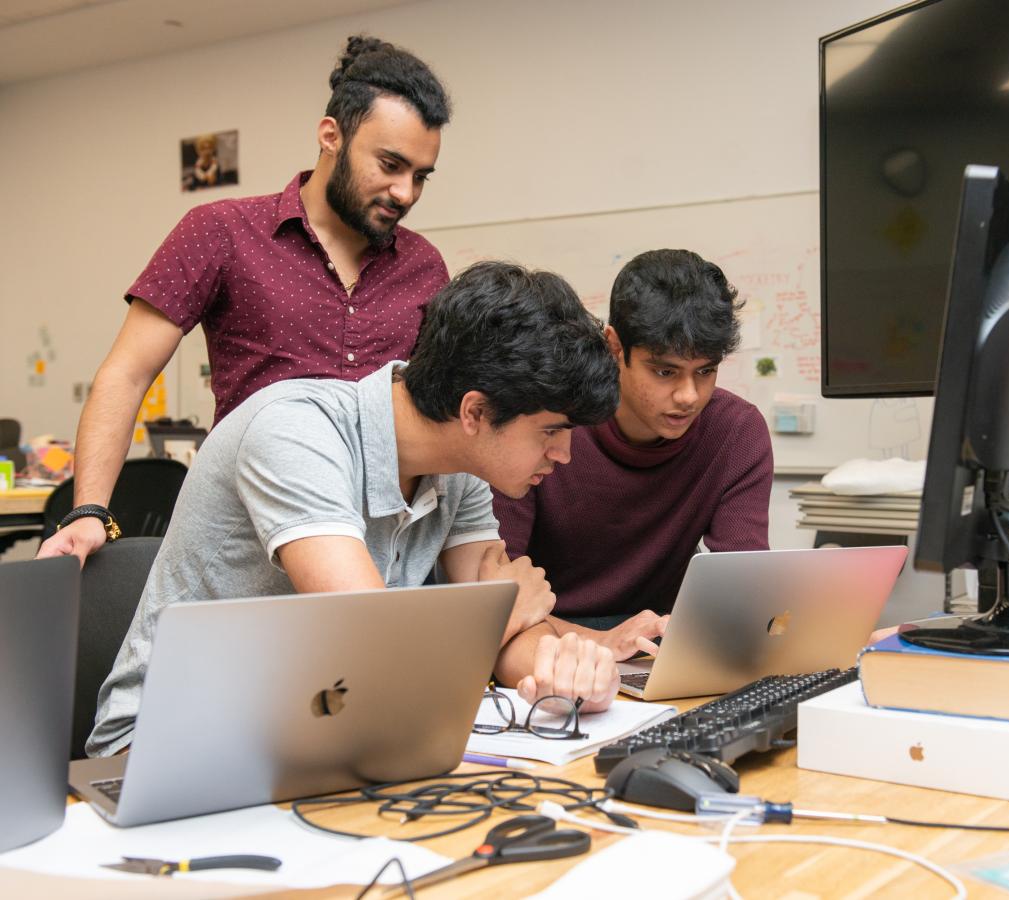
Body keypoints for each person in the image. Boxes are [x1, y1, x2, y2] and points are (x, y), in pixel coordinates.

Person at [88, 261, 623, 756]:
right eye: (551, 431)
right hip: (171, 739)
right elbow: (376, 650)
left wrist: (561, 670)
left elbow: (505, 624)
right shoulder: (295, 433)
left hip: (328, 721)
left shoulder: (463, 464)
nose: (563, 454)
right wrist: (500, 618)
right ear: (475, 412)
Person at [41, 35, 453, 565]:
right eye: (390, 165)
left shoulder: (425, 267)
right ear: (332, 135)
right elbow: (126, 374)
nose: (405, 192)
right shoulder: (221, 231)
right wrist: (89, 511)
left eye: (421, 176)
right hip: (244, 541)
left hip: (379, 544)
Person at [493, 249, 773, 661]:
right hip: (538, 637)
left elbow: (746, 591)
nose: (688, 396)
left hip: (654, 643)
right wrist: (598, 642)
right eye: (665, 371)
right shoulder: (545, 424)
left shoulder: (736, 431)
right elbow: (498, 598)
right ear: (614, 347)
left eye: (705, 371)